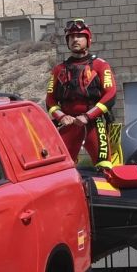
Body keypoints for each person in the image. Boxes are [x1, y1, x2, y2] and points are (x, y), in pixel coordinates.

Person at [46, 18, 122, 166]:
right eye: (71, 37)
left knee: (104, 166)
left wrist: (88, 116)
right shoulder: (58, 70)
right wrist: (61, 117)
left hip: (94, 122)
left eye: (80, 36)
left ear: (88, 40)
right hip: (68, 123)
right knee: (60, 167)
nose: (75, 39)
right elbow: (50, 101)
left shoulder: (101, 65)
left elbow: (111, 95)